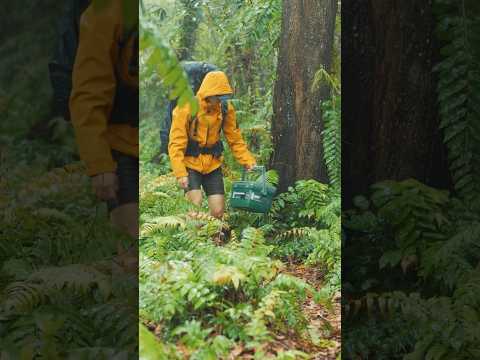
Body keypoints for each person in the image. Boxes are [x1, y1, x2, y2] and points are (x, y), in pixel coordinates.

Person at [69, 1, 139, 241]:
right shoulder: (107, 12)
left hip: (159, 152)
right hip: (122, 149)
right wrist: (100, 165)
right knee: (132, 247)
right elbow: (89, 95)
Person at [168, 71, 256, 219]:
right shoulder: (186, 107)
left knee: (217, 211)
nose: (221, 100)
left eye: (223, 96)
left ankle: (216, 240)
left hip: (213, 164)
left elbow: (235, 138)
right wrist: (180, 172)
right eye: (218, 96)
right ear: (209, 93)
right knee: (194, 208)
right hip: (191, 163)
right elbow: (176, 142)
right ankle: (195, 240)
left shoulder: (225, 109)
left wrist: (248, 161)